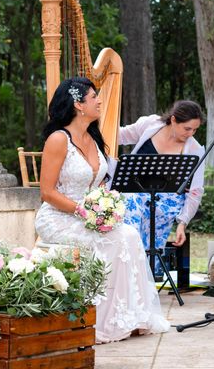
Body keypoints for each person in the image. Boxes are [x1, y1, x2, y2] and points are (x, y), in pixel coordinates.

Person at [35, 76, 170, 343]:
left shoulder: (93, 138)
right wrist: (84, 211)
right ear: (78, 105)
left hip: (88, 215)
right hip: (59, 217)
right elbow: (47, 192)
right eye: (94, 96)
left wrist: (107, 205)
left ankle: (129, 316)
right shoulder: (58, 140)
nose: (99, 101)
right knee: (112, 240)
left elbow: (99, 184)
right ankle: (98, 320)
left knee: (129, 234)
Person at [119, 101, 205, 276]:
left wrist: (182, 223)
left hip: (166, 203)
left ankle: (142, 276)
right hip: (135, 195)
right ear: (173, 120)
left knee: (133, 204)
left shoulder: (195, 149)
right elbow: (120, 135)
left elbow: (195, 192)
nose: (191, 134)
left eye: (195, 130)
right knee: (130, 202)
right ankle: (126, 270)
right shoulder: (150, 124)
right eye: (187, 129)